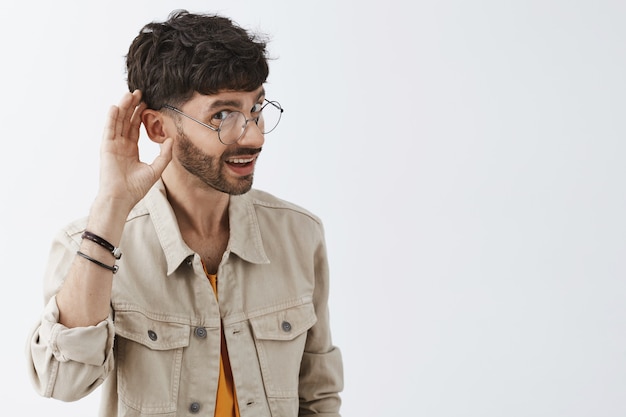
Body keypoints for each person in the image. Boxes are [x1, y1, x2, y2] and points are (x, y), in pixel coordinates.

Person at [26, 10, 343, 417]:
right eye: (222, 115)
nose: (255, 135)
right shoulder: (89, 245)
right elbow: (62, 381)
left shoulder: (299, 234)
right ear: (158, 129)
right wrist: (111, 207)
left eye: (257, 108)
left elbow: (317, 397)